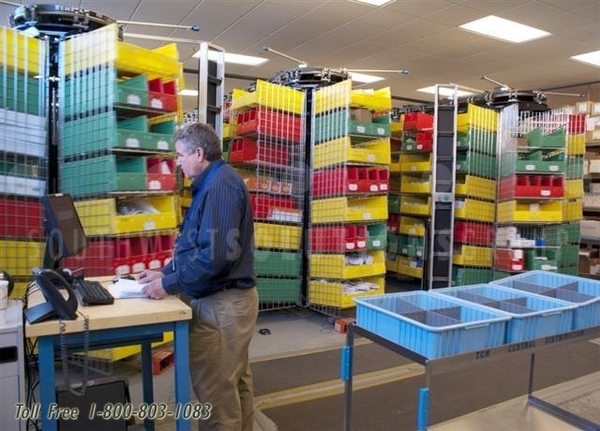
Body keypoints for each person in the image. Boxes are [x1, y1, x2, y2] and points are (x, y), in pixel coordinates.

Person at [138, 122, 258, 430]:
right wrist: (165, 272)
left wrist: (168, 285)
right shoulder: (213, 183)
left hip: (222, 306)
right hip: (225, 304)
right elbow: (196, 245)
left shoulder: (220, 187)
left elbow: (215, 256)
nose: (177, 162)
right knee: (233, 386)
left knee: (216, 395)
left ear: (199, 153)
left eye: (180, 155)